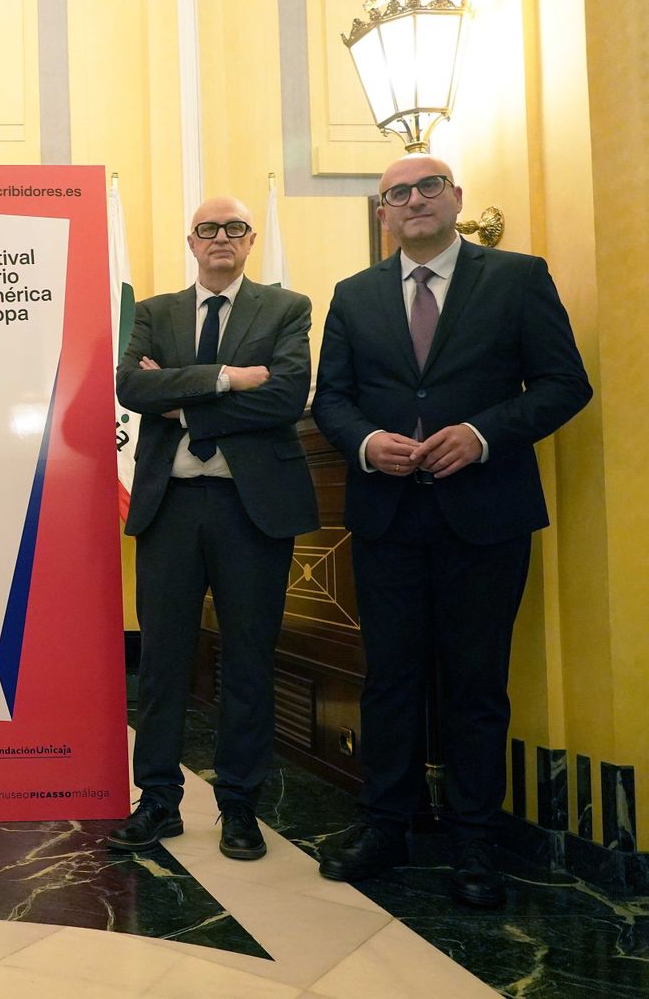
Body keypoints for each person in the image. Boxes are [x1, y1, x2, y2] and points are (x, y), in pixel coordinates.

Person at [312, 153, 591, 907]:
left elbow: (568, 384)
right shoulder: (353, 295)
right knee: (391, 678)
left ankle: (476, 839)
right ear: (383, 216)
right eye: (396, 194)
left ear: (456, 197)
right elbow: (331, 398)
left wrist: (482, 432)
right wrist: (368, 444)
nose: (413, 201)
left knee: (475, 683)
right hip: (387, 516)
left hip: (487, 516)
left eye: (427, 186)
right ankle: (385, 824)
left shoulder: (518, 277)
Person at [108, 195, 317, 861]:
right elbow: (133, 390)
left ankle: (239, 807)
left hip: (250, 510)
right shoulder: (153, 313)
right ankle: (159, 802)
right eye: (206, 229)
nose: (219, 238)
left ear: (250, 241)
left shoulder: (286, 308)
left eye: (232, 228)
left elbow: (287, 394)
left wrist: (187, 402)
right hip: (169, 508)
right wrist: (229, 379)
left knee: (248, 660)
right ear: (190, 243)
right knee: (164, 661)